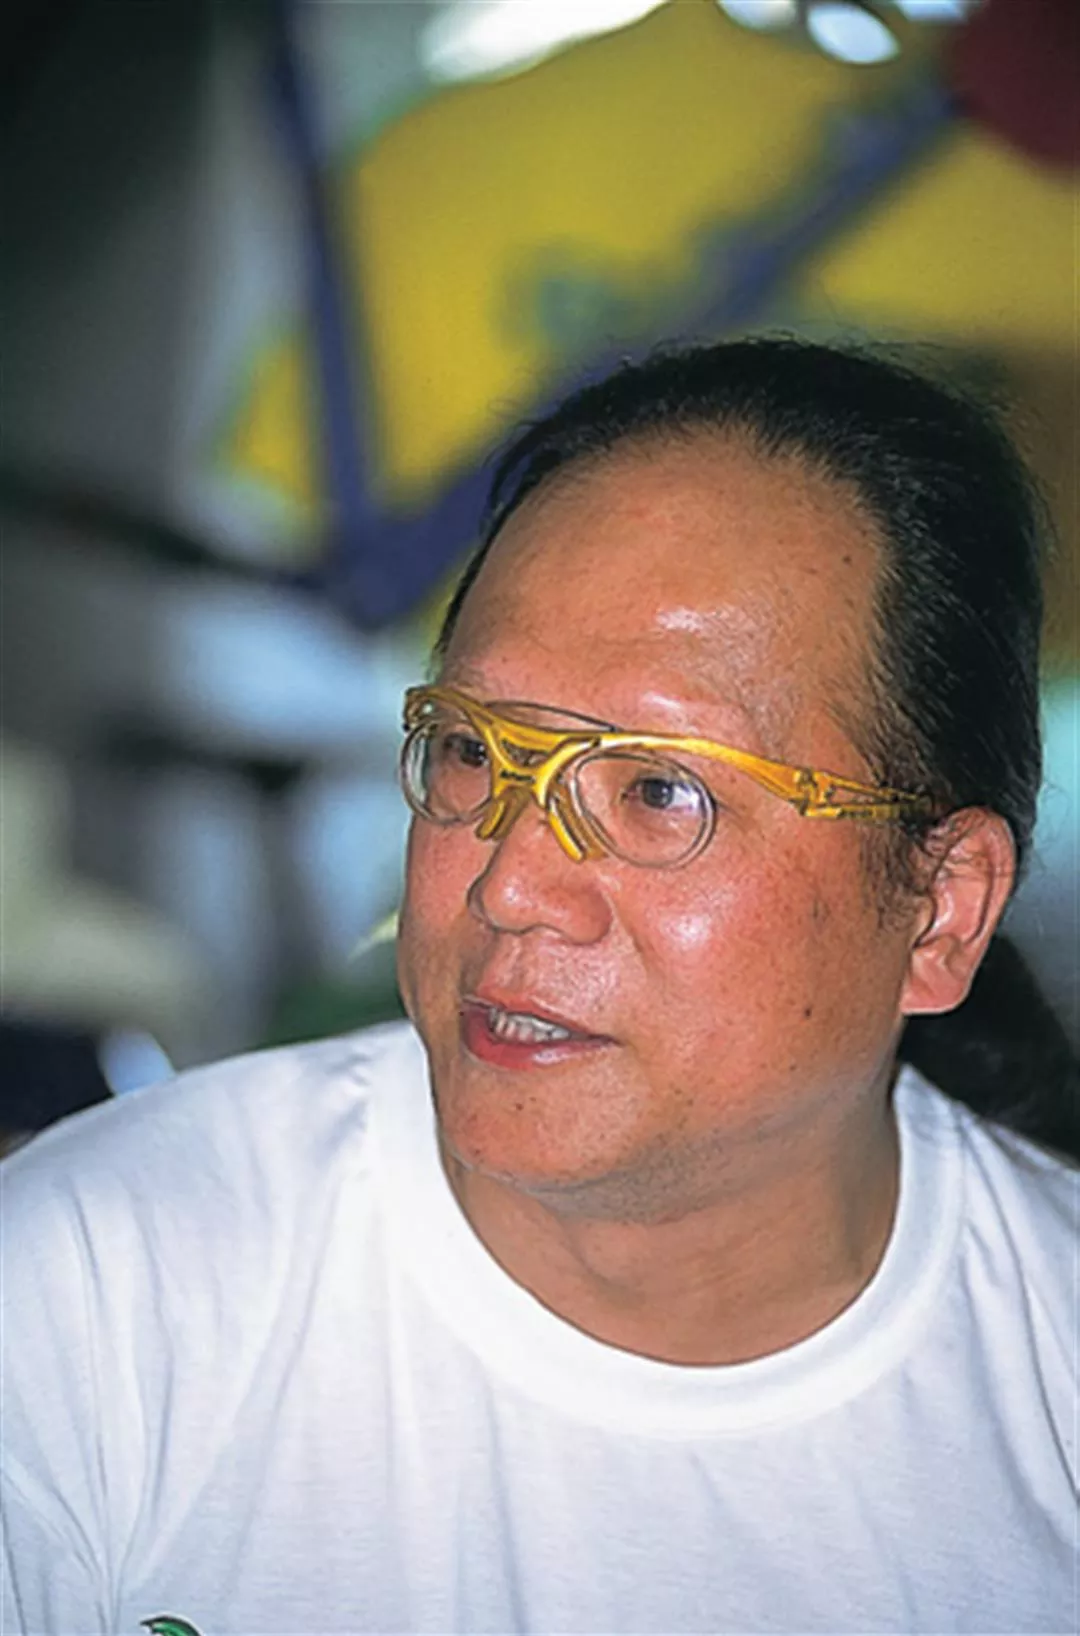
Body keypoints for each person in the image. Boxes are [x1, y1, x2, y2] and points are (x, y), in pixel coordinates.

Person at [2, 337, 1077, 1636]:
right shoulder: (86, 1295)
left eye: (660, 790)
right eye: (473, 751)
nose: (510, 884)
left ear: (940, 908)